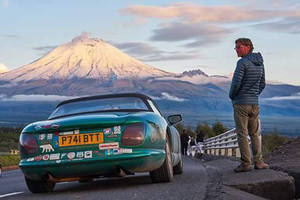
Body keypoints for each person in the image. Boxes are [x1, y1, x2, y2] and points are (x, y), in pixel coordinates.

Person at [229, 38, 269, 172]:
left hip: (241, 103)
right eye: (236, 47)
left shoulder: (242, 63)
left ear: (248, 47)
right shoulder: (260, 63)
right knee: (254, 133)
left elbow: (236, 84)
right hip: (254, 103)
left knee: (242, 134)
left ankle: (246, 163)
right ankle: (259, 162)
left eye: (239, 47)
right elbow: (263, 83)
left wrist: (232, 96)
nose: (237, 50)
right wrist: (254, 95)